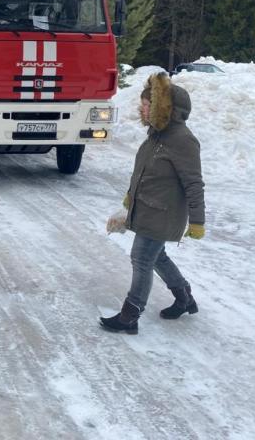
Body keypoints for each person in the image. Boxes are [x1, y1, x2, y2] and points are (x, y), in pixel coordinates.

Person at [100, 72, 205, 335]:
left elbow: (194, 183)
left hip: (164, 213)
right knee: (157, 257)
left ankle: (130, 315)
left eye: (147, 104)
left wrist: (198, 221)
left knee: (142, 258)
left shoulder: (183, 140)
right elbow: (144, 171)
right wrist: (129, 199)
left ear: (164, 108)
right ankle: (184, 297)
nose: (142, 108)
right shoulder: (158, 135)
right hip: (147, 208)